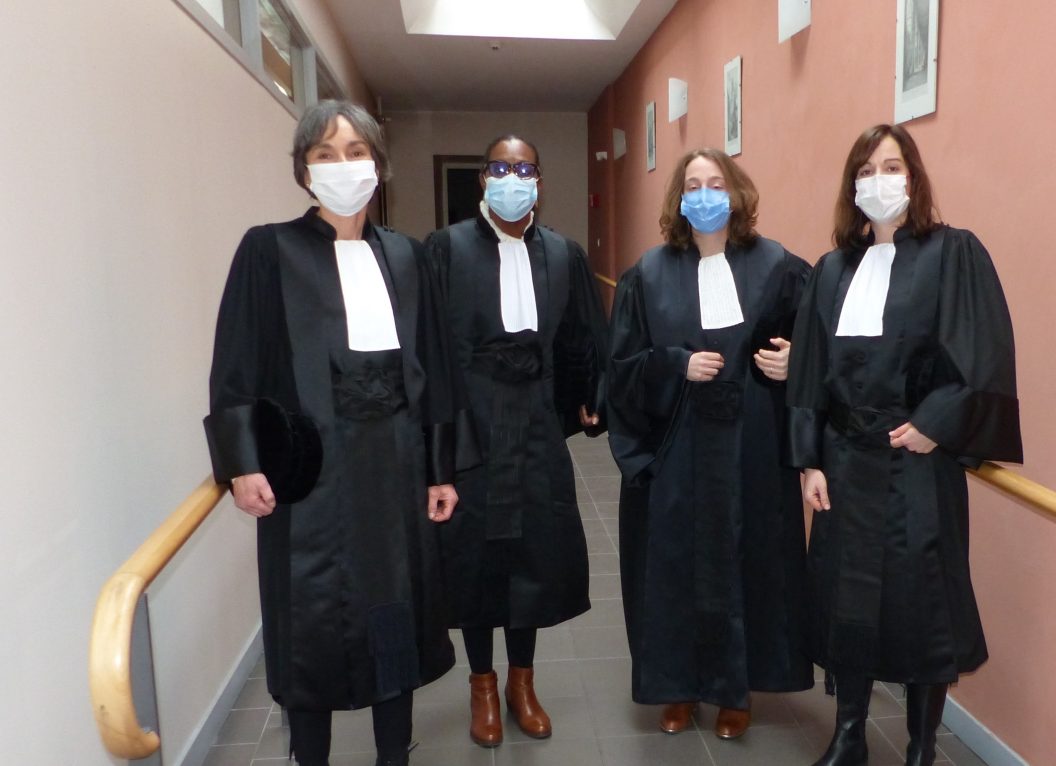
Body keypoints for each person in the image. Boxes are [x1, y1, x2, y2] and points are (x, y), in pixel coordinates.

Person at [203, 100, 464, 766]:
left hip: (395, 472)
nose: (342, 166)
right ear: (303, 170)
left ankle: (392, 752)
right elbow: (235, 367)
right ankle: (309, 756)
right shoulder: (269, 251)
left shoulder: (408, 258)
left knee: (394, 611)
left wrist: (439, 469)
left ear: (378, 165)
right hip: (308, 474)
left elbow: (432, 371)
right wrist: (242, 465)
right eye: (325, 154)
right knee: (311, 624)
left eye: (356, 152)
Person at [785, 124, 1023, 766]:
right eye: (865, 170)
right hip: (845, 463)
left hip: (918, 461)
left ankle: (921, 746)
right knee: (847, 602)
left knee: (924, 607)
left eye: (891, 167)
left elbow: (982, 353)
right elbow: (809, 371)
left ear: (913, 179)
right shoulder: (832, 270)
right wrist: (808, 458)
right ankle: (850, 733)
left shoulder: (953, 253)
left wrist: (935, 422)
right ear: (851, 186)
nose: (878, 180)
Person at [607, 148, 814, 740]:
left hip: (750, 446)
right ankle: (676, 687)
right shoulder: (647, 274)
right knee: (671, 566)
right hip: (676, 448)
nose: (704, 194)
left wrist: (792, 363)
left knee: (745, 566)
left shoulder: (777, 267)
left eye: (715, 183)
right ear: (678, 199)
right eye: (693, 184)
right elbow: (621, 367)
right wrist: (674, 363)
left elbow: (813, 349)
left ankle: (735, 689)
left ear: (736, 192)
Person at [424, 135, 608, 748]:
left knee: (532, 557)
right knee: (478, 562)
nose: (512, 177)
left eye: (524, 168)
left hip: (533, 426)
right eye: (501, 167)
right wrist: (438, 440)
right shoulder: (445, 250)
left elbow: (583, 336)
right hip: (473, 427)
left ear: (539, 180)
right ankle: (482, 684)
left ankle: (522, 683)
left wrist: (589, 399)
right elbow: (432, 353)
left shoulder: (562, 253)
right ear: (483, 179)